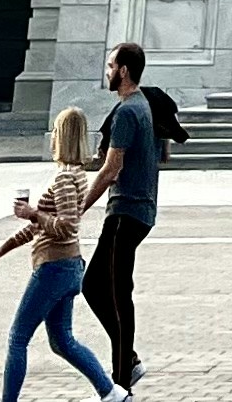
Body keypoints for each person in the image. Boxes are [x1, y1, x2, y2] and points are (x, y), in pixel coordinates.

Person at [0, 106, 124, 402]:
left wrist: (32, 212)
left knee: (17, 338)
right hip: (68, 266)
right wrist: (4, 248)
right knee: (62, 340)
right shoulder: (75, 174)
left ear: (60, 137)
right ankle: (111, 392)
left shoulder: (64, 178)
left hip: (54, 268)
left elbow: (65, 226)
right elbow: (42, 227)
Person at [82, 41, 161, 392]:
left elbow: (112, 168)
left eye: (111, 65)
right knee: (95, 287)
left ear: (124, 71)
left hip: (127, 211)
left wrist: (79, 206)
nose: (108, 71)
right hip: (133, 210)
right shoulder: (140, 105)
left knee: (115, 295)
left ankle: (120, 383)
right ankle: (127, 359)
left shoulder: (130, 111)